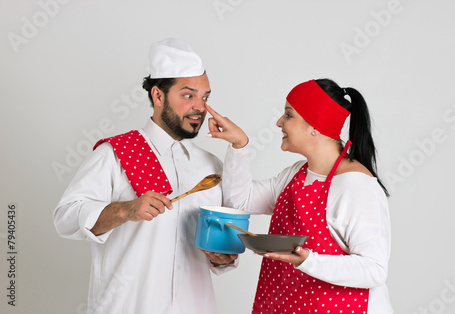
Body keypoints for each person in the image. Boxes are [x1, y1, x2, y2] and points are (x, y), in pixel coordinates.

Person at [53, 38, 237, 314]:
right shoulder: (114, 154)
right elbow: (65, 218)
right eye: (188, 96)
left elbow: (217, 251)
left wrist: (221, 258)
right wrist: (125, 210)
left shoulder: (210, 168)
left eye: (205, 97)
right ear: (158, 96)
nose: (200, 107)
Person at [206, 78, 393, 313]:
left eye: (288, 115)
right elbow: (240, 201)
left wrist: (308, 260)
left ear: (315, 125)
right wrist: (239, 145)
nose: (279, 122)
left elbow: (374, 269)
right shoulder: (296, 174)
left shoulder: (356, 186)